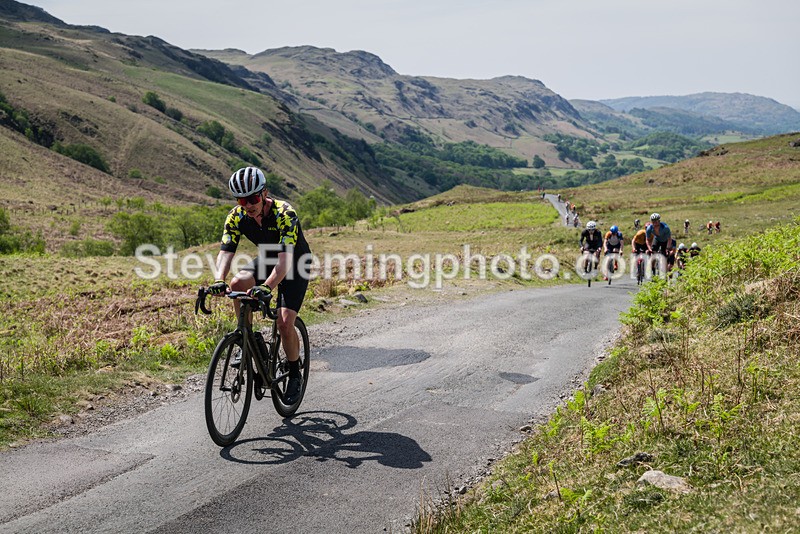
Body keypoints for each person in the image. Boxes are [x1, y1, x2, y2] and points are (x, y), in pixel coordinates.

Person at [208, 166, 312, 404]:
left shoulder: (285, 213)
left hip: (295, 263)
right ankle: (248, 339)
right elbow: (226, 251)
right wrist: (218, 280)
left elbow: (285, 260)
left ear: (264, 193)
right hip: (268, 258)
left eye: (253, 198)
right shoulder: (236, 217)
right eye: (242, 200)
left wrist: (268, 286)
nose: (248, 204)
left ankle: (295, 372)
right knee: (237, 283)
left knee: (285, 323)